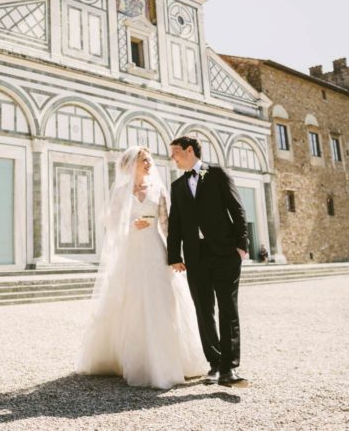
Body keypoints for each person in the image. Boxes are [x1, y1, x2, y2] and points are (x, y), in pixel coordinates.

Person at [77, 146, 208, 389]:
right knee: (131, 302)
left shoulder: (158, 190)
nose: (149, 164)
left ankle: (166, 361)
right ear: (131, 165)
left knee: (161, 301)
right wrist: (130, 225)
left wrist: (175, 255)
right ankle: (132, 360)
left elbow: (168, 225)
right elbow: (112, 226)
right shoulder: (120, 193)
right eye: (144, 160)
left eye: (149, 160)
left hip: (155, 251)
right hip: (130, 253)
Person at [167, 135, 250, 387]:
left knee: (228, 309)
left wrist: (241, 245)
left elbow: (237, 209)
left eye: (175, 152)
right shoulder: (177, 186)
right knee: (204, 311)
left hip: (225, 253)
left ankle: (229, 368)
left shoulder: (216, 174)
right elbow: (175, 223)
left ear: (189, 150)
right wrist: (174, 256)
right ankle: (214, 364)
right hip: (195, 256)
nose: (172, 158)